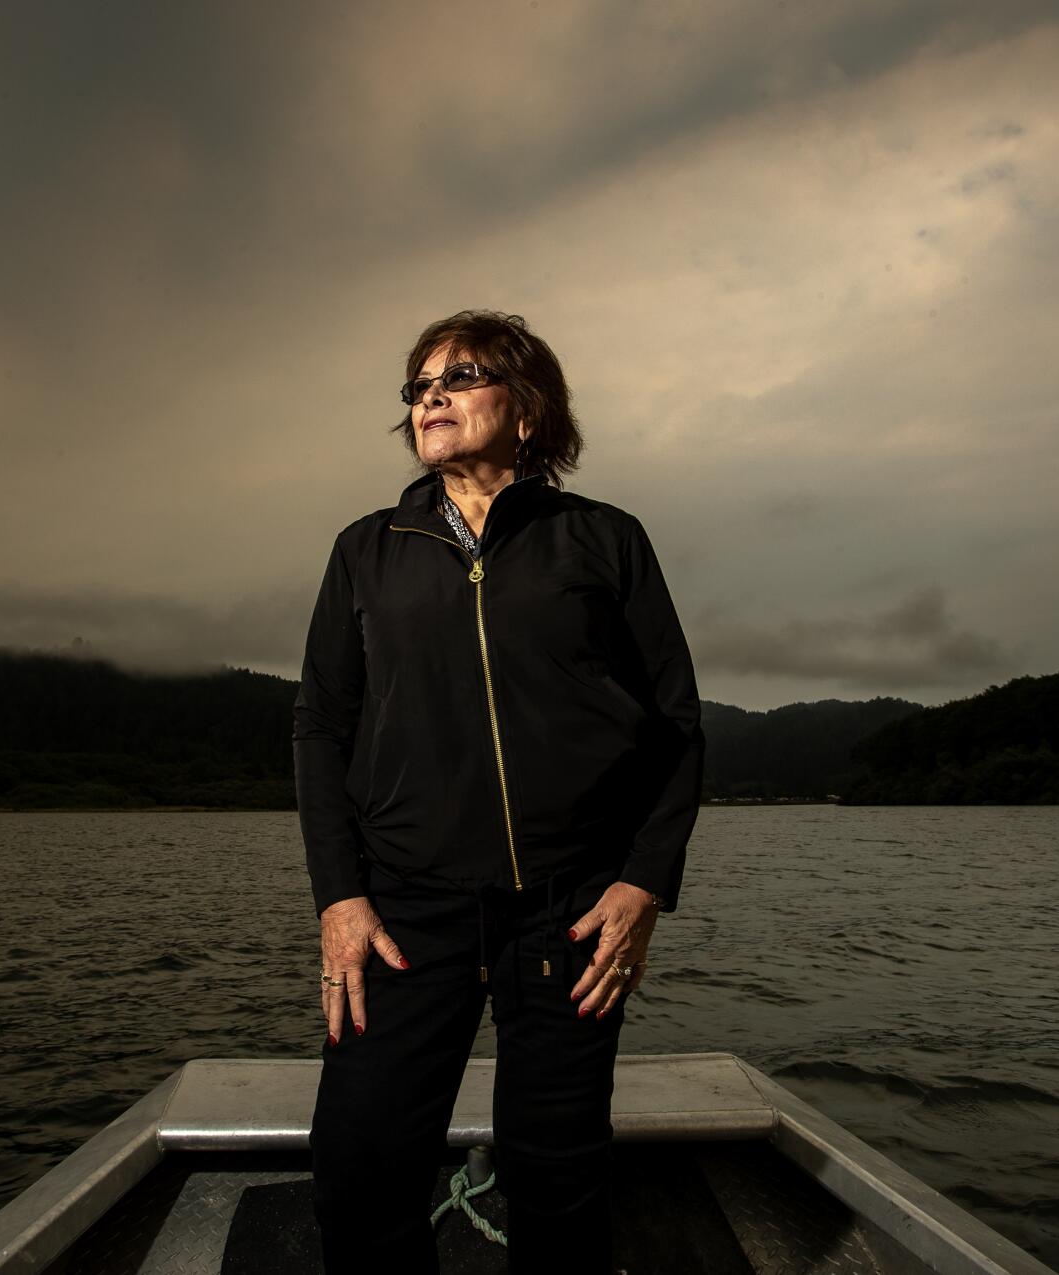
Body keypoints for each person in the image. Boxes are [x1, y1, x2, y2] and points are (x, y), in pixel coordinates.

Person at [294, 309, 704, 1274]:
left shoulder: (604, 540)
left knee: (558, 1175)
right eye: (419, 383)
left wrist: (644, 881)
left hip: (571, 910)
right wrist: (340, 895)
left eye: (461, 374)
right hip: (406, 908)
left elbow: (677, 725)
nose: (430, 394)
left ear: (528, 408)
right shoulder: (366, 549)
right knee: (359, 1168)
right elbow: (321, 725)